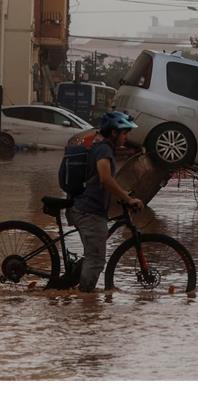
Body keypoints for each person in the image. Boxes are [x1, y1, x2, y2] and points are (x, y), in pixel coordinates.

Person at [66, 111, 144, 292]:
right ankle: (86, 303)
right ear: (114, 133)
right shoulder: (103, 149)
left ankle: (73, 287)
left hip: (89, 209)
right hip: (89, 211)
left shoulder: (101, 147)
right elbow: (105, 179)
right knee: (96, 259)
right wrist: (128, 198)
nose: (126, 137)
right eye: (124, 133)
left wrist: (124, 193)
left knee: (93, 255)